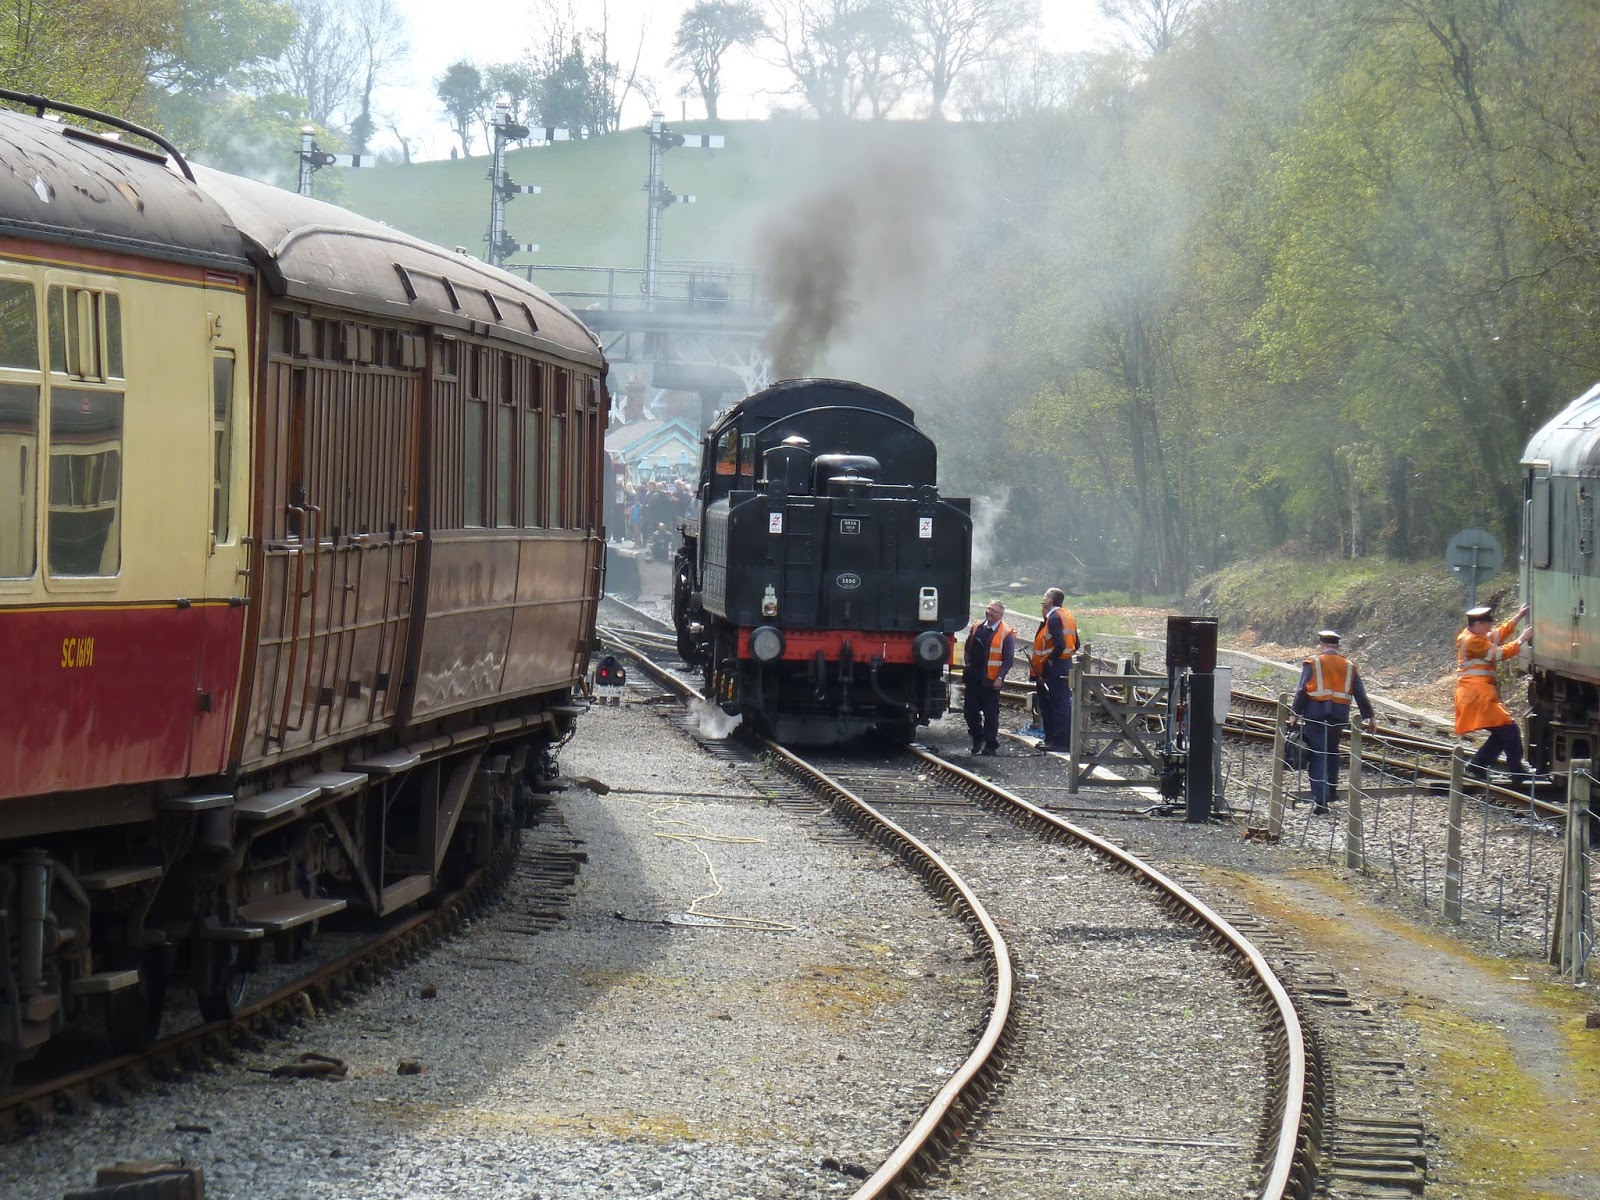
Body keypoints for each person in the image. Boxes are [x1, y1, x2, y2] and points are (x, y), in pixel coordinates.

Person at [1288, 630, 1376, 814]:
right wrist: (1370, 717)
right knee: (1332, 751)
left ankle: (1321, 801)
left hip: (1315, 716)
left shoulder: (1313, 662)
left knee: (1318, 754)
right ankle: (1332, 791)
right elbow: (1360, 693)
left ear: (1321, 644)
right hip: (1339, 716)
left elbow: (1302, 690)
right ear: (1338, 646)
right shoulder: (1349, 666)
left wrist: (1294, 713)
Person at [1455, 603, 1532, 782]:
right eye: (1487, 624)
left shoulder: (1475, 636)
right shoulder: (1473, 641)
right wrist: (1521, 640)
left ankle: (1477, 765)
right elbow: (1499, 653)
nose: (1490, 627)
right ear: (1478, 624)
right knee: (1509, 729)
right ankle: (1516, 771)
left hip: (1477, 695)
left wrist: (1518, 617)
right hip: (1476, 696)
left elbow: (1497, 634)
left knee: (1503, 731)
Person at [963, 601, 1017, 756]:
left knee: (990, 713)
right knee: (970, 710)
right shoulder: (976, 627)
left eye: (993, 611)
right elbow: (968, 646)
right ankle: (977, 737)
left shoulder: (1006, 633)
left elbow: (1008, 659)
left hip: (991, 680)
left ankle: (990, 744)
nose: (989, 612)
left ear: (1000, 615)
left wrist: (1000, 677)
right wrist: (967, 662)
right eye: (988, 609)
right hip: (973, 677)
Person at [1028, 587, 1079, 751]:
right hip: (1065, 664)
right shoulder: (1067, 616)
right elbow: (1076, 644)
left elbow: (1060, 644)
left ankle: (1058, 742)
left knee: (1056, 703)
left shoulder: (1055, 618)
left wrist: (1051, 659)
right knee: (1061, 702)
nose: (1043, 599)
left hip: (1055, 667)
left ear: (1050, 600)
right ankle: (1057, 740)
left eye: (1045, 597)